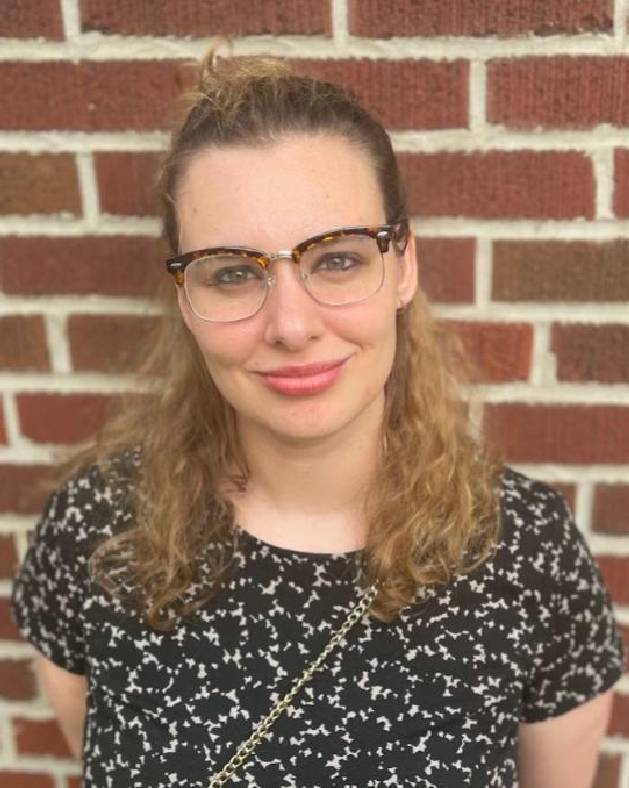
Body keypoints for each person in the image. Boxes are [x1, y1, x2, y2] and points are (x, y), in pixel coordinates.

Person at [10, 50, 625, 788]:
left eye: (336, 259)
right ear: (184, 298)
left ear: (402, 267)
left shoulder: (525, 553)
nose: (292, 326)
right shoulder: (97, 533)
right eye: (232, 272)